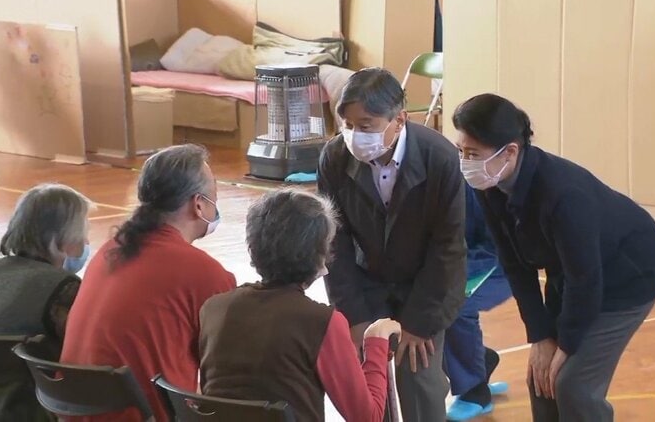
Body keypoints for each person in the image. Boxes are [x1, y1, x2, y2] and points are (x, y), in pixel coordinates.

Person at [452, 94, 655, 421]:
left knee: (572, 384)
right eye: (460, 151)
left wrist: (566, 344)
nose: (465, 162)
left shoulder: (563, 195)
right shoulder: (490, 184)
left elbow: (586, 280)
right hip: (570, 273)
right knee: (541, 377)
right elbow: (515, 265)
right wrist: (540, 336)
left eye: (473, 154)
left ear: (510, 151)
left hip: (629, 276)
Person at [317, 67, 466, 421]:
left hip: (426, 285)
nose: (355, 135)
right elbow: (335, 244)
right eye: (347, 125)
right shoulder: (334, 158)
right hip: (367, 280)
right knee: (369, 378)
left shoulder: (439, 157)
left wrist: (419, 322)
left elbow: (447, 246)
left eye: (366, 125)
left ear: (399, 120)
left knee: (419, 376)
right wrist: (354, 316)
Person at [61, 144, 236, 421]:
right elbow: (229, 377)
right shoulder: (205, 274)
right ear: (198, 203)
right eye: (215, 193)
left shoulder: (109, 251)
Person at [199, 188, 402, 421]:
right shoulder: (321, 322)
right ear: (317, 253)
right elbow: (368, 417)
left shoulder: (213, 308)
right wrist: (376, 340)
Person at [0, 183, 92, 421]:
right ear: (61, 238)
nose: (86, 241)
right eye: (82, 233)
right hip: (29, 410)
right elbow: (87, 361)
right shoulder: (65, 289)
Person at [444, 182, 511, 421]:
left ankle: (475, 390)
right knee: (412, 309)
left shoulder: (475, 186)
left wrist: (449, 274)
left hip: (494, 265)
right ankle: (481, 359)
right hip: (448, 266)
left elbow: (493, 247)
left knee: (452, 306)